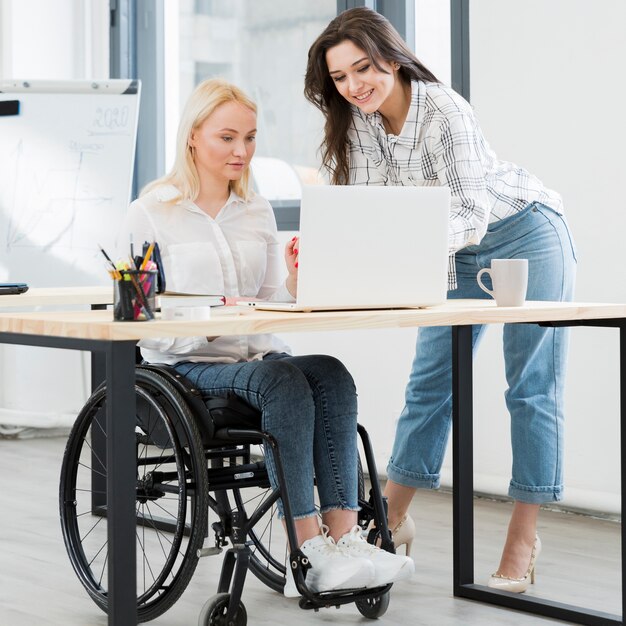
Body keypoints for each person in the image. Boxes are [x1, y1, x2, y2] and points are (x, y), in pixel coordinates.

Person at [304, 7, 576, 593]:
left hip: (524, 234)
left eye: (364, 68)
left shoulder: (445, 110)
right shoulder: (359, 123)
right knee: (431, 384)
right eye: (342, 78)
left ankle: (523, 537)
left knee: (530, 388)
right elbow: (375, 215)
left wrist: (404, 248)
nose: (355, 86)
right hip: (451, 251)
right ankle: (392, 517)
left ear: (391, 57)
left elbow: (471, 214)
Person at [123, 77, 414, 598]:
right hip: (186, 366)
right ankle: (307, 550)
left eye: (251, 138)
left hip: (254, 357)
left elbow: (267, 299)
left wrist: (297, 286)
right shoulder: (151, 212)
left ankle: (346, 543)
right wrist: (203, 321)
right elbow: (141, 315)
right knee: (282, 379)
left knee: (330, 372)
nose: (242, 151)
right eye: (227, 137)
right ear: (193, 136)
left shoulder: (255, 210)